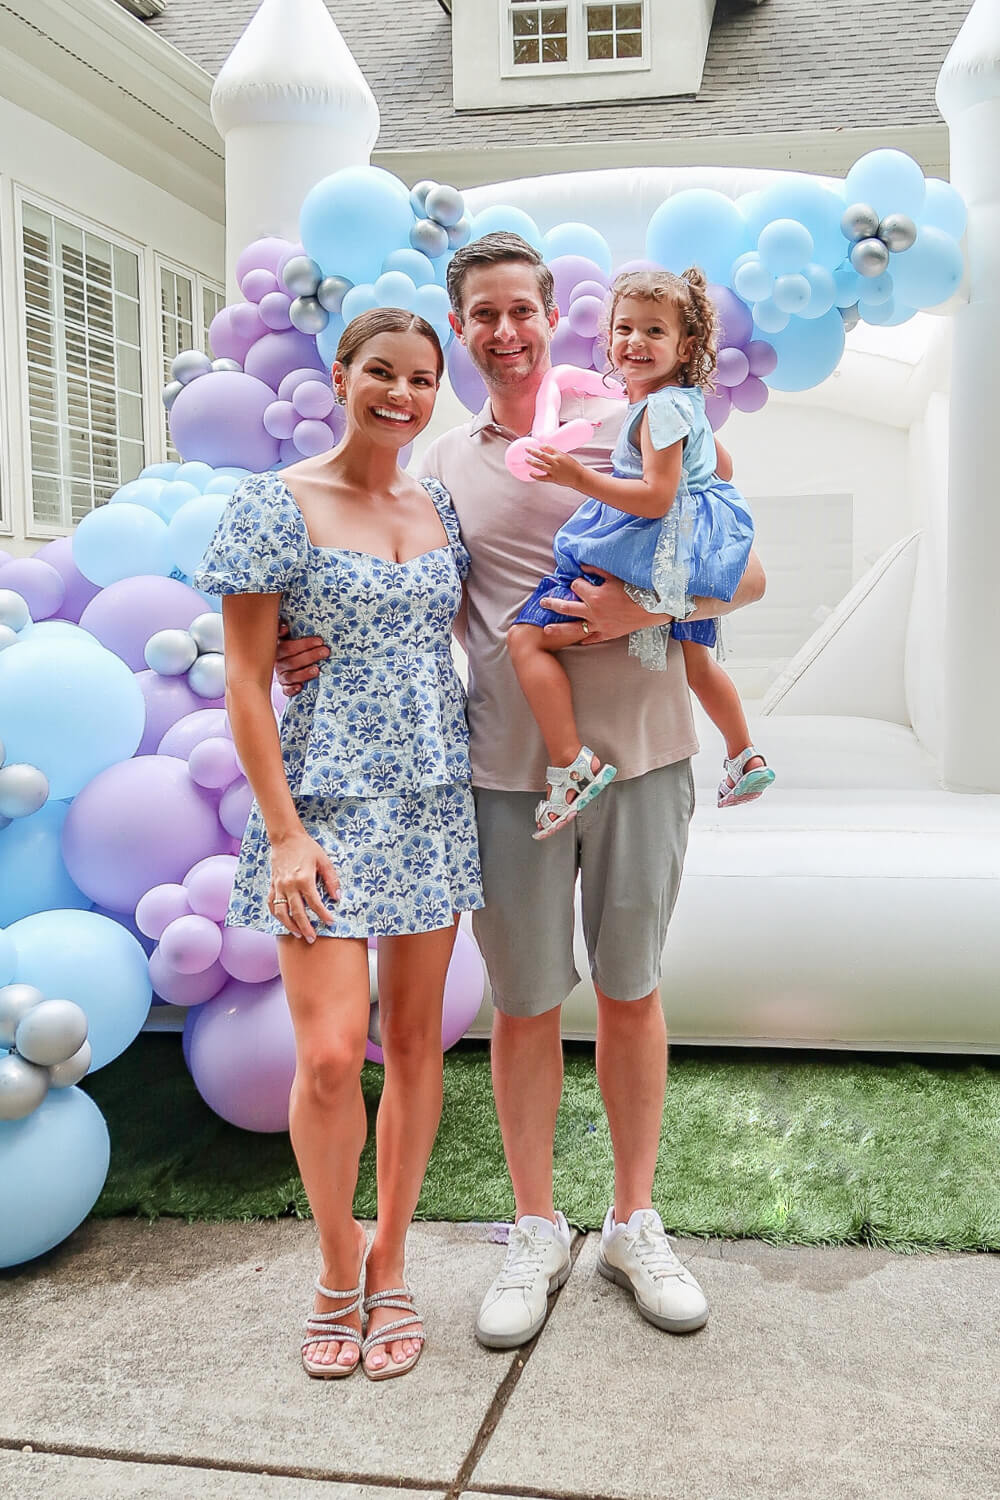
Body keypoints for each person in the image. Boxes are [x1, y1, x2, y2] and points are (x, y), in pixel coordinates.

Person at [275, 233, 765, 1350]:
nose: (504, 330)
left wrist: (636, 615)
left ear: (556, 318)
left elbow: (746, 567)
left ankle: (634, 1220)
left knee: (633, 992)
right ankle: (536, 1224)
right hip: (505, 774)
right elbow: (393, 587)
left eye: (523, 310)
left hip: (642, 757)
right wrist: (297, 646)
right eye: (482, 313)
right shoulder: (443, 464)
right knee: (528, 1003)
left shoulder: (653, 423)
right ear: (464, 330)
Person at [194, 308, 483, 1383]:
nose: (400, 395)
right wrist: (282, 834)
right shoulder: (275, 503)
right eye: (380, 373)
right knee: (324, 1057)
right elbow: (243, 678)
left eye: (419, 378)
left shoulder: (439, 502)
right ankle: (334, 1263)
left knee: (412, 1048)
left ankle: (394, 1260)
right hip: (318, 808)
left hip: (431, 798)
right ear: (339, 375)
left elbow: (471, 630)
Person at [507, 267, 774, 838]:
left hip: (649, 558)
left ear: (687, 346)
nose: (635, 341)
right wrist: (701, 512)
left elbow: (654, 499)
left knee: (525, 638)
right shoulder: (686, 405)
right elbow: (722, 469)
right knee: (698, 664)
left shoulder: (657, 411)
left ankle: (572, 763)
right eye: (624, 328)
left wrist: (579, 477)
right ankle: (744, 753)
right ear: (607, 339)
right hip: (690, 559)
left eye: (654, 331)